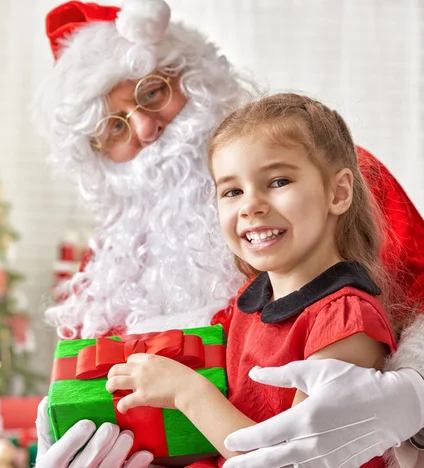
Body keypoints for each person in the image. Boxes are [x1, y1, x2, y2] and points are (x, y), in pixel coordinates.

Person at [33, 1, 424, 467]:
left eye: (152, 92)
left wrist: (416, 389)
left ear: (195, 77)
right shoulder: (107, 269)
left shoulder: (331, 174)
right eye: (113, 126)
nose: (145, 128)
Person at [106, 92, 402, 468]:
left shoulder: (346, 322)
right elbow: (220, 432)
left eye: (278, 181)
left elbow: (293, 460)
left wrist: (187, 391)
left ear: (338, 192)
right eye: (232, 191)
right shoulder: (249, 301)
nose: (251, 206)